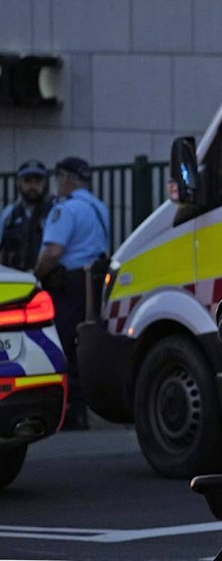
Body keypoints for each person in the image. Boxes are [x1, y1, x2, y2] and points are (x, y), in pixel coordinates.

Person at [35, 157, 110, 431]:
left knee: (65, 345)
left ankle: (70, 412)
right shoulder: (98, 207)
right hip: (93, 284)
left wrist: (35, 275)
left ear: (66, 177)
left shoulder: (65, 210)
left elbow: (53, 252)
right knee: (83, 345)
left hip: (68, 287)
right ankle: (82, 408)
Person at [0, 160, 55, 272]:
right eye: (27, 181)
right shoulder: (9, 214)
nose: (32, 186)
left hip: (46, 280)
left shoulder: (55, 211)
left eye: (38, 181)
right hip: (15, 279)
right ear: (18, 183)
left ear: (46, 183)